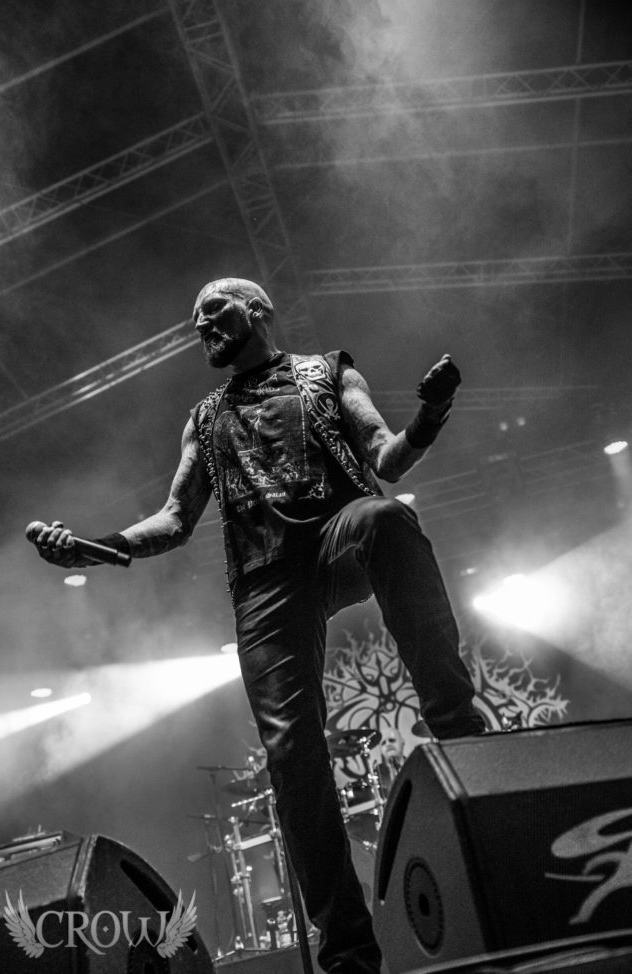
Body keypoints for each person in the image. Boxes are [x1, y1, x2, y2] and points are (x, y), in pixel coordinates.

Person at [30, 277, 485, 974]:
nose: (202, 325)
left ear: (258, 310)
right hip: (265, 578)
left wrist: (431, 412)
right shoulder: (206, 417)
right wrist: (96, 547)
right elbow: (175, 519)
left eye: (214, 310)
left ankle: (462, 736)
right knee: (293, 759)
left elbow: (386, 457)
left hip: (336, 534)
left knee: (386, 517)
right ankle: (349, 955)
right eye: (195, 320)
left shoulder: (328, 372)